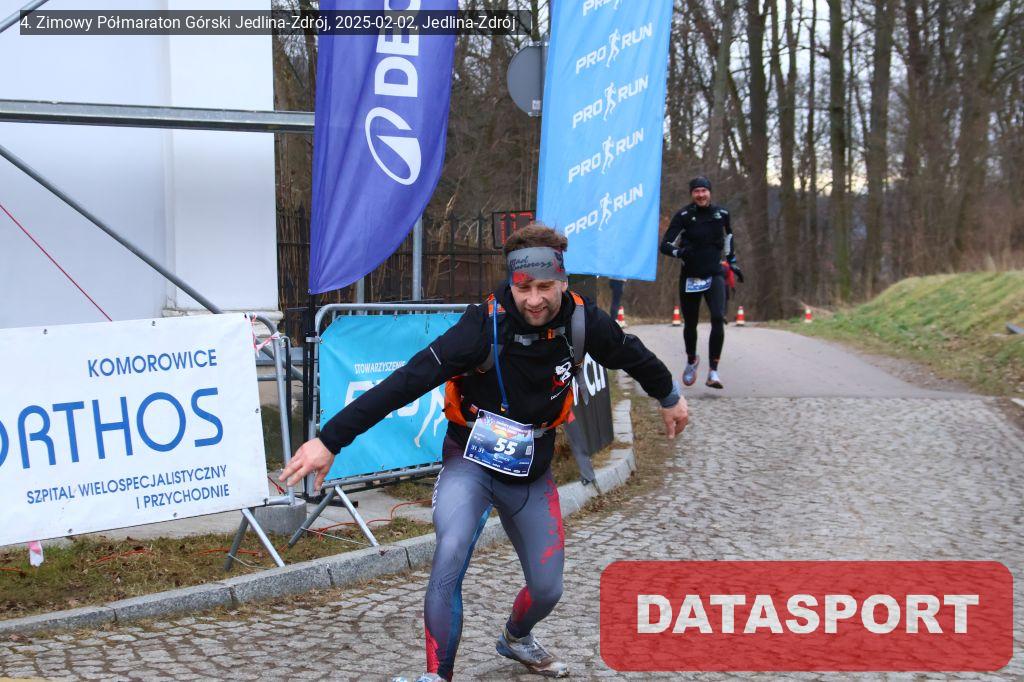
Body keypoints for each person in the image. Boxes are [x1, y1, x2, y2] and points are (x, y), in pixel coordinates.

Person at [281, 224, 688, 682]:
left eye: (545, 287)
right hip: (470, 462)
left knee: (548, 589)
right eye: (524, 288)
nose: (534, 300)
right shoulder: (482, 325)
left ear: (562, 280)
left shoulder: (582, 320)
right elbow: (407, 381)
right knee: (451, 551)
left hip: (531, 471)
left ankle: (516, 637)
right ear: (511, 282)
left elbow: (630, 353)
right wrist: (329, 440)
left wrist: (669, 395)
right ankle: (437, 676)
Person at [659, 176, 744, 389]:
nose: (700, 195)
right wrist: (680, 252)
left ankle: (713, 371)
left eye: (703, 191)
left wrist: (732, 262)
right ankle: (691, 360)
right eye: (696, 191)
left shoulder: (721, 214)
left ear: (710, 192)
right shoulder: (684, 216)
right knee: (691, 323)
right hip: (690, 277)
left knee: (717, 318)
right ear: (692, 194)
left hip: (714, 274)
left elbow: (729, 238)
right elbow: (665, 245)